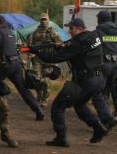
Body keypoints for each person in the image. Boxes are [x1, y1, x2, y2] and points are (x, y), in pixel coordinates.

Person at [34, 18, 108, 147]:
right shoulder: (93, 36)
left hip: (84, 81)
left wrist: (38, 53)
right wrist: (60, 47)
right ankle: (98, 128)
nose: (69, 31)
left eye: (72, 28)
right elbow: (75, 49)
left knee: (58, 106)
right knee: (79, 104)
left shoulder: (77, 42)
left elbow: (56, 58)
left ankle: (61, 138)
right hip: (99, 79)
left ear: (80, 28)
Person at [0, 15, 44, 148]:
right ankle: (37, 108)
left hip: (5, 64)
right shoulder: (10, 32)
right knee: (22, 88)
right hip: (16, 64)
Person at [92, 10, 117, 126]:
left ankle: (105, 119)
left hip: (102, 66)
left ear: (100, 19)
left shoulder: (97, 32)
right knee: (112, 89)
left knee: (101, 93)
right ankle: (115, 113)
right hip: (116, 66)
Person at [27, 13, 63, 107]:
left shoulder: (51, 31)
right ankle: (38, 96)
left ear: (48, 20)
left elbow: (60, 42)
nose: (44, 21)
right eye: (42, 19)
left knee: (46, 79)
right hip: (38, 59)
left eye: (45, 19)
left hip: (48, 59)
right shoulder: (35, 32)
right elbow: (30, 44)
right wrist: (32, 51)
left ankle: (44, 100)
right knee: (36, 79)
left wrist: (54, 45)